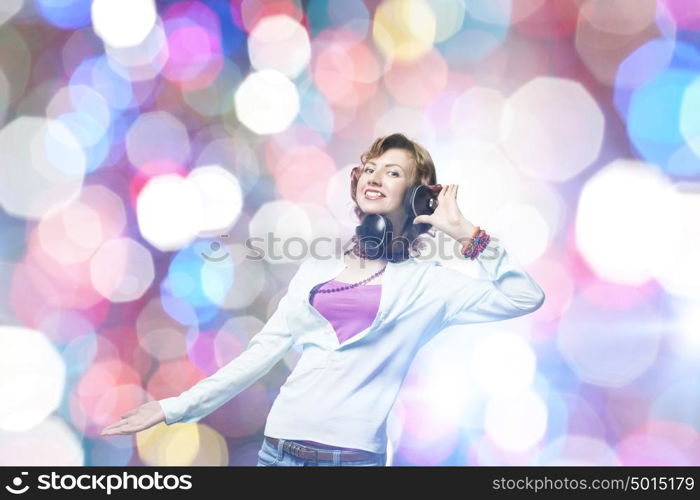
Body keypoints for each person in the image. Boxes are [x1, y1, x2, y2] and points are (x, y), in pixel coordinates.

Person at [101, 133, 545, 466]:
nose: (374, 176)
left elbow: (524, 296)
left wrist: (468, 234)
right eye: (370, 167)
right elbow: (259, 355)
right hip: (278, 452)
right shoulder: (315, 268)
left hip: (353, 462)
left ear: (416, 197)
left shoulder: (430, 285)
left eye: (393, 172)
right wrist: (173, 407)